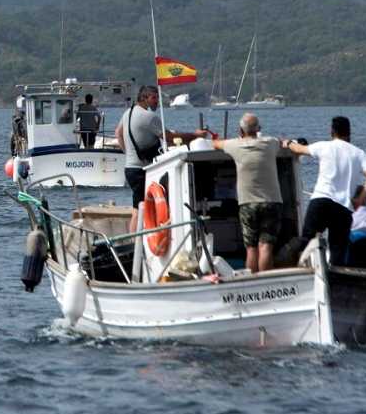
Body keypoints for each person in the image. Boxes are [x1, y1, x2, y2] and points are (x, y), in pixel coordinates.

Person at [283, 116, 366, 267]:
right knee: (338, 252)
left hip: (321, 201)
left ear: (331, 131)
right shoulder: (359, 153)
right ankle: (334, 285)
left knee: (306, 239)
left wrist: (287, 142)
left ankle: (282, 259)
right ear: (349, 132)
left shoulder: (324, 146)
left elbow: (298, 149)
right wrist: (361, 198)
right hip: (343, 208)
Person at [114, 84, 206, 216]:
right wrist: (195, 136)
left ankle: (136, 237)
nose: (157, 101)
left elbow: (118, 133)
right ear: (145, 98)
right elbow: (169, 138)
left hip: (130, 169)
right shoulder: (149, 117)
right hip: (143, 170)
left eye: (157, 97)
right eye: (154, 97)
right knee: (148, 207)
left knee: (137, 208)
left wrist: (129, 154)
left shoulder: (128, 112)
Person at [212, 113, 282, 274]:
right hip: (271, 202)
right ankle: (266, 280)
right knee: (266, 246)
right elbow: (282, 142)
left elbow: (215, 144)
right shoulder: (270, 143)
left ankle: (251, 281)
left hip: (247, 204)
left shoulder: (234, 145)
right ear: (259, 129)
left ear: (240, 130)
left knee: (251, 248)